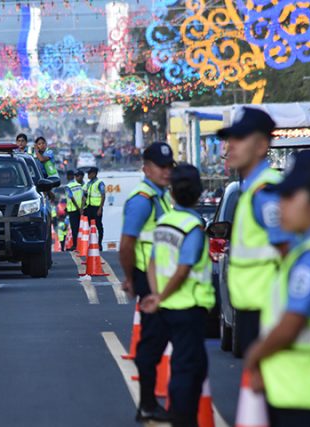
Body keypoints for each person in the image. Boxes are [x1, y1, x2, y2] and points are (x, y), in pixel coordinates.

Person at [244, 150, 310, 427]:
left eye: (290, 197)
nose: (281, 205)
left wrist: (255, 355)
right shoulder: (307, 249)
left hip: (309, 399)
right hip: (299, 393)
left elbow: (291, 324)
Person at [141, 164, 215, 427]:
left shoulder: (164, 223)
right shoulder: (193, 226)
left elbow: (152, 263)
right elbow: (183, 270)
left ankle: (174, 413)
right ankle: (183, 420)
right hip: (188, 308)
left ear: (171, 193)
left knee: (191, 365)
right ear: (199, 193)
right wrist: (161, 296)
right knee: (187, 369)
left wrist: (156, 295)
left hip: (165, 309)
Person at [217, 107, 291, 356]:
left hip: (268, 310)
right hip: (252, 307)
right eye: (230, 138)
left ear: (261, 146)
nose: (231, 146)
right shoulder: (252, 190)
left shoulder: (265, 193)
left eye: (240, 138)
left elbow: (290, 251)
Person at [119, 142, 174, 422]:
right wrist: (131, 279)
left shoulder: (160, 196)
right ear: (146, 168)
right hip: (148, 279)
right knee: (152, 342)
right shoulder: (142, 200)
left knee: (159, 340)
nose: (166, 171)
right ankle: (148, 404)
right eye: (160, 167)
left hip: (162, 279)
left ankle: (150, 403)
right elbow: (126, 245)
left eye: (169, 166)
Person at [84, 167, 105, 250]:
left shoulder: (100, 183)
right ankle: (91, 243)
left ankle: (99, 243)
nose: (88, 175)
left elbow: (103, 195)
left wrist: (100, 208)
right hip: (89, 207)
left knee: (98, 225)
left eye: (89, 173)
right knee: (89, 226)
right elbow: (85, 194)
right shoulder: (89, 184)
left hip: (97, 208)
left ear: (94, 174)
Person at [65, 170, 84, 250]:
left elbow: (71, 198)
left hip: (73, 210)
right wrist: (81, 209)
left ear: (69, 176)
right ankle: (79, 244)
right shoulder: (79, 185)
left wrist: (77, 208)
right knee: (79, 227)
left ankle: (75, 245)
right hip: (80, 210)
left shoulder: (68, 186)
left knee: (74, 228)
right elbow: (83, 198)